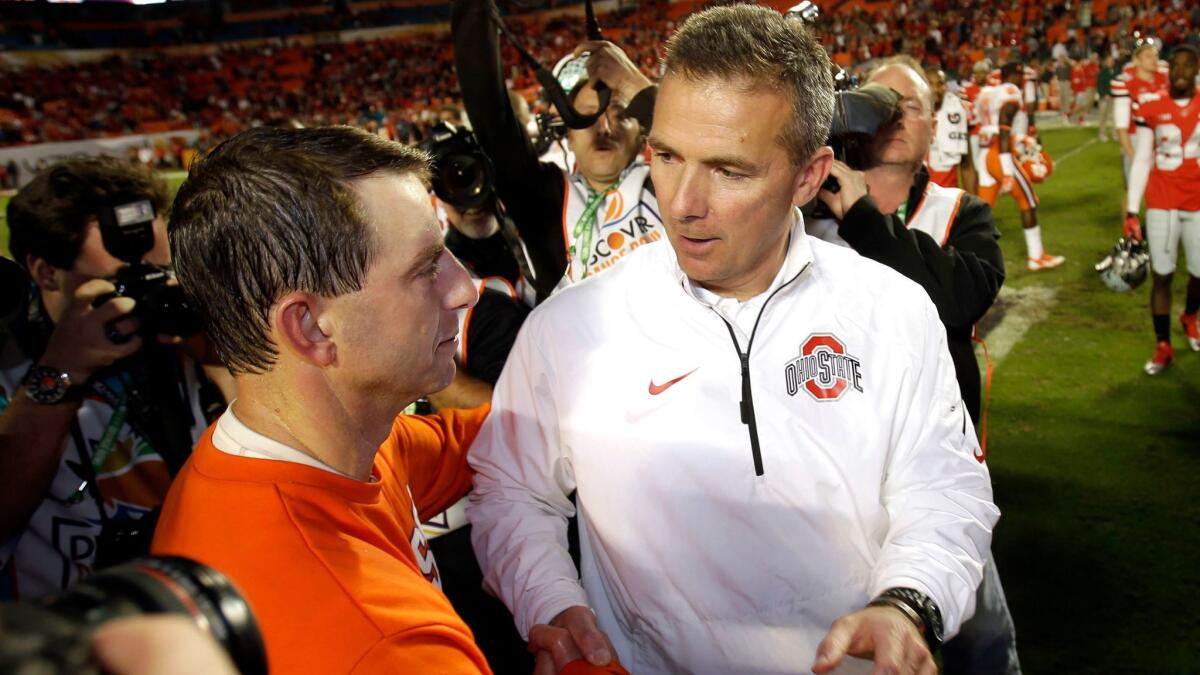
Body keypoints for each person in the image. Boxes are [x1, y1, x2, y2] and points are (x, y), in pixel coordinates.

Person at [468, 7, 999, 675]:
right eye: (665, 155)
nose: (683, 200)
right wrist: (552, 604)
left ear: (810, 176)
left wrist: (907, 602)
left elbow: (944, 485)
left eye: (730, 170)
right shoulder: (571, 328)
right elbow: (510, 490)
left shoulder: (891, 309)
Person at [150, 126, 493, 674]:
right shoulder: (383, 645)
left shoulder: (316, 443)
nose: (464, 287)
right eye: (425, 268)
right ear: (309, 327)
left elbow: (476, 441)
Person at [809, 56, 1020, 675]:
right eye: (883, 102)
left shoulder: (964, 212)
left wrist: (865, 219)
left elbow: (956, 298)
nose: (898, 116)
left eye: (914, 106)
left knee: (979, 640)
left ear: (934, 127)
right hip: (830, 468)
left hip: (935, 472)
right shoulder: (803, 215)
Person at [0, 156, 223, 601]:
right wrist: (62, 371)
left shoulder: (186, 341)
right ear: (45, 271)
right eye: (123, 284)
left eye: (159, 275)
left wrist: (219, 353)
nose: (148, 298)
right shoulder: (9, 367)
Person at [452, 0, 663, 294]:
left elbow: (701, 145)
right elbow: (491, 115)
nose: (603, 128)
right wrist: (475, 11)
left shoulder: (669, 184)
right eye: (587, 116)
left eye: (619, 114)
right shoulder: (543, 198)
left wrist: (634, 84)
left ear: (643, 133)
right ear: (567, 135)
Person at [1124, 45, 1200, 375]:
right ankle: (1163, 344)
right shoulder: (1151, 105)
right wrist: (1131, 209)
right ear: (1170, 71)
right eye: (1177, 66)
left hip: (1198, 201)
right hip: (1162, 201)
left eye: (1188, 66)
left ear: (1196, 69)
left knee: (1199, 273)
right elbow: (1141, 159)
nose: (1181, 72)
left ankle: (1190, 315)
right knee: (1163, 275)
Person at [976, 62, 1066, 271]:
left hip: (985, 152)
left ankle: (967, 255)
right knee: (1028, 202)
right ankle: (1036, 257)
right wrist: (1008, 172)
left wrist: (1023, 138)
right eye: (1018, 76)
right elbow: (1004, 130)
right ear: (1010, 76)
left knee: (981, 210)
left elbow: (992, 126)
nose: (1021, 81)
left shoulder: (988, 93)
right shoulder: (1010, 93)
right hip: (1000, 153)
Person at [1113, 40, 1169, 176]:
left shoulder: (1165, 77)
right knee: (1133, 190)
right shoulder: (1125, 83)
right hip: (1136, 138)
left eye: (1155, 55)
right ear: (1137, 61)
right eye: (1148, 56)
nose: (1154, 59)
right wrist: (1132, 154)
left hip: (1165, 139)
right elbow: (1121, 127)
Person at [923, 64, 971, 189]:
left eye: (940, 84)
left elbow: (966, 164)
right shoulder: (910, 115)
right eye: (930, 84)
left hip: (947, 194)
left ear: (946, 86)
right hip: (917, 194)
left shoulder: (956, 112)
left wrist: (973, 206)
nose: (935, 89)